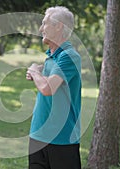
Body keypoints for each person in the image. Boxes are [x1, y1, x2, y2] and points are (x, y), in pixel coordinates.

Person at [26, 6, 81, 169]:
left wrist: (35, 72)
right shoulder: (51, 58)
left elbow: (47, 89)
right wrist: (38, 73)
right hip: (38, 135)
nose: (41, 29)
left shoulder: (69, 56)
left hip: (61, 138)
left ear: (59, 26)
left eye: (45, 23)